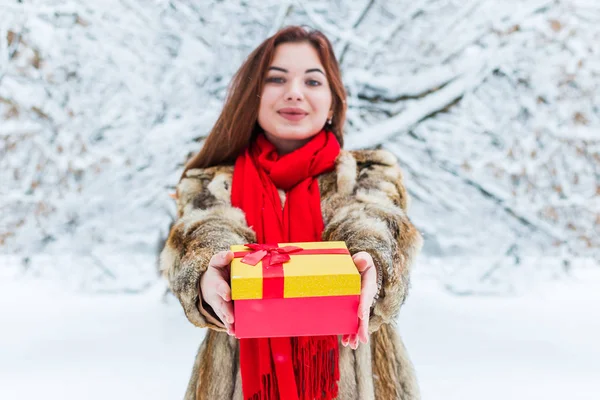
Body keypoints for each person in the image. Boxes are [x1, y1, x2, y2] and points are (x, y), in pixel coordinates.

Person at [160, 25, 423, 400]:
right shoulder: (211, 182)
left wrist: (371, 263)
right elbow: (206, 231)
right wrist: (207, 271)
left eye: (313, 82)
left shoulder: (369, 175)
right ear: (253, 95)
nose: (294, 92)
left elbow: (372, 221)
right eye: (276, 79)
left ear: (333, 102)